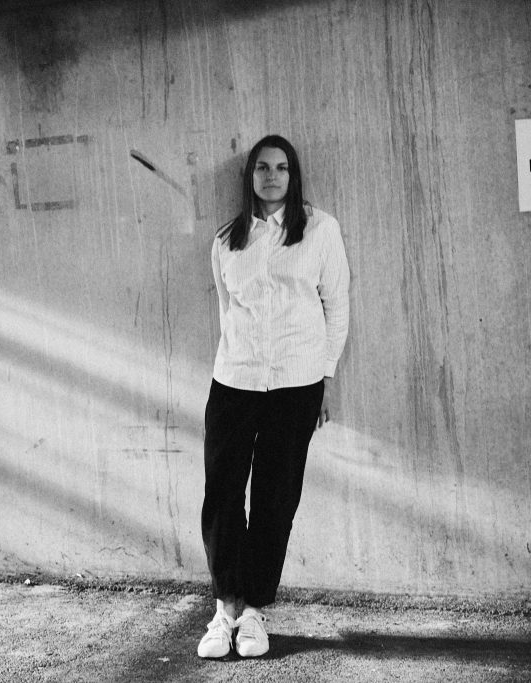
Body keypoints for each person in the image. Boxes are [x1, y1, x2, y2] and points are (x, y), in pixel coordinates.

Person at [196, 134, 350, 659]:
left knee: (274, 498)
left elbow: (336, 304)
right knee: (222, 494)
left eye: (281, 168)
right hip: (234, 381)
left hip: (296, 384)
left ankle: (255, 611)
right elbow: (227, 310)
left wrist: (325, 378)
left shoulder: (320, 229)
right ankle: (225, 608)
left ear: (293, 174)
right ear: (250, 176)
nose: (271, 176)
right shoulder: (226, 240)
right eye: (262, 167)